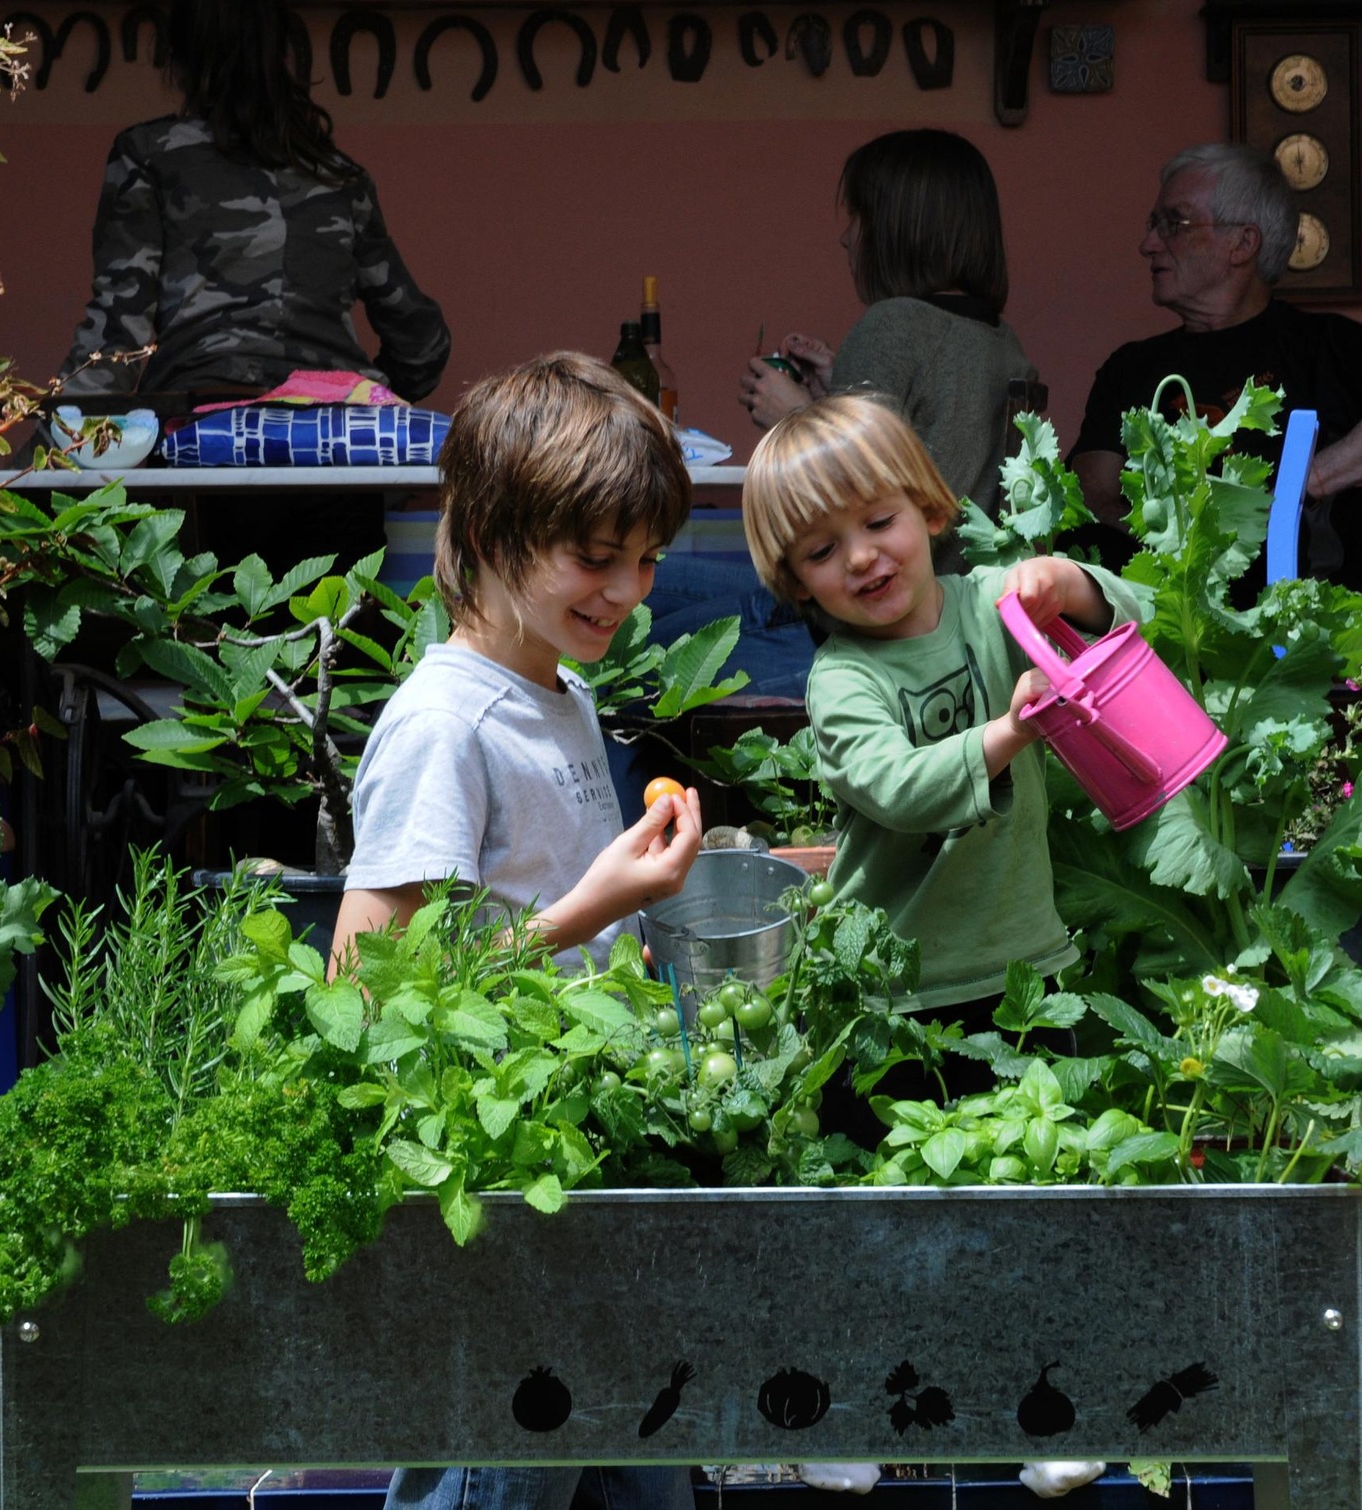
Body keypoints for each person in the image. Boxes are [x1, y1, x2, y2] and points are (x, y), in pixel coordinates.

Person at [332, 354, 706, 1510]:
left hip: (582, 1160)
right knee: (504, 1458)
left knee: (626, 1452)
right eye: (596, 558)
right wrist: (587, 912)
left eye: (644, 560)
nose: (627, 590)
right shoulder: (443, 724)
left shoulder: (558, 688)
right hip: (497, 1188)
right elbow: (368, 986)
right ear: (490, 532)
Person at [738, 395, 1128, 1500]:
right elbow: (901, 790)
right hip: (889, 993)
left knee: (1036, 1203)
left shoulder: (986, 606)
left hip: (1023, 976)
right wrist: (1012, 730)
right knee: (868, 1212)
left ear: (927, 506)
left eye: (879, 522)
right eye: (822, 549)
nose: (861, 559)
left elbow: (1118, 622)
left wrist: (1072, 586)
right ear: (793, 580)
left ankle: (1048, 1409)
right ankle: (829, 1408)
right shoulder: (842, 682)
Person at [55, 0, 452, 574]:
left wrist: (58, 439)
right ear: (284, 54)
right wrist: (359, 391)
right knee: (331, 648)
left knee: (210, 649)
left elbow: (119, 328)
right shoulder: (339, 178)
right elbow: (422, 339)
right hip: (339, 460)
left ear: (181, 58)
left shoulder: (148, 157)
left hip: (205, 450)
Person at [1069, 142, 1362, 602]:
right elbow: (1090, 497)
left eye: (1173, 223)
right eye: (1154, 224)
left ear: (1242, 243)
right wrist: (1188, 561)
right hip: (1162, 618)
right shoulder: (1132, 366)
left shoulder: (1323, 345)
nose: (1147, 244)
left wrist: (1300, 485)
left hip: (1289, 627)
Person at [738, 129, 1040, 534]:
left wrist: (794, 418)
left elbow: (851, 502)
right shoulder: (1001, 341)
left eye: (858, 217)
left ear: (896, 229)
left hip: (877, 592)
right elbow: (926, 441)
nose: (846, 238)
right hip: (956, 591)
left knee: (666, 579)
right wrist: (837, 390)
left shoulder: (890, 327)